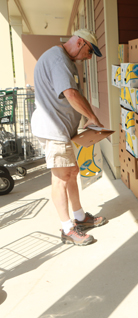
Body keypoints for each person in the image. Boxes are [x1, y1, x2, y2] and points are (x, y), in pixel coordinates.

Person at [32, 29, 107, 246]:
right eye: (90, 51)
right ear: (80, 42)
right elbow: (71, 94)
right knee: (61, 178)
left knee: (72, 172)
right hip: (54, 129)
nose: (90, 57)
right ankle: (67, 229)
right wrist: (92, 116)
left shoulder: (65, 60)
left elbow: (76, 93)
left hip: (64, 129)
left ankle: (81, 218)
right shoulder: (58, 60)